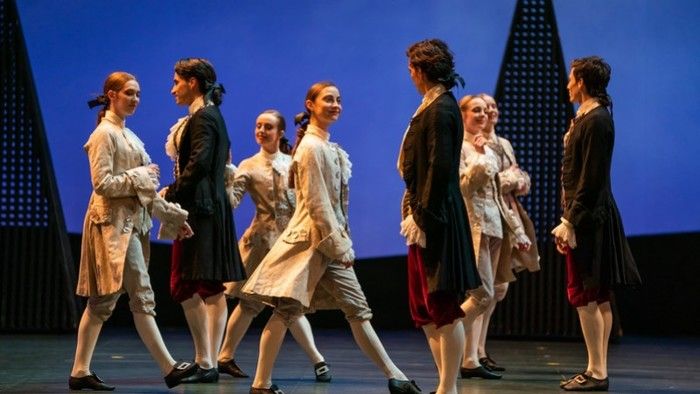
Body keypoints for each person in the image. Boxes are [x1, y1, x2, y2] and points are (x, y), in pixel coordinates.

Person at [242, 82, 421, 394]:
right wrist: (339, 246)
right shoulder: (311, 148)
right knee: (332, 309)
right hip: (312, 244)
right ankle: (396, 377)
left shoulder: (324, 146)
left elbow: (330, 203)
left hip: (321, 243)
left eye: (339, 100)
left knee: (309, 311)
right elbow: (317, 203)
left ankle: (396, 376)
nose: (336, 105)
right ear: (311, 104)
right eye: (328, 99)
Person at [69, 71, 198, 390]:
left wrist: (173, 217)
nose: (135, 99)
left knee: (106, 303)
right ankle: (169, 368)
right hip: (113, 228)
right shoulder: (104, 135)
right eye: (129, 93)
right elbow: (102, 184)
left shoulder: (130, 136)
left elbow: (146, 192)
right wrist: (139, 175)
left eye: (138, 94)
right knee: (138, 296)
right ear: (112, 95)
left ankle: (80, 371)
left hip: (130, 227)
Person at [217, 110, 331, 382]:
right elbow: (232, 201)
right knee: (250, 303)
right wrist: (225, 171)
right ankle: (225, 355)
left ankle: (317, 359)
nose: (261, 131)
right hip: (262, 242)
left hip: (289, 241)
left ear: (280, 132)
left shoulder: (293, 161)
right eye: (258, 126)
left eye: (267, 127)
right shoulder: (249, 165)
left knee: (291, 303)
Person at [398, 39, 481, 394]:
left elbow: (440, 165)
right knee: (425, 307)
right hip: (423, 212)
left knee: (443, 304)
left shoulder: (442, 108)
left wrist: (423, 214)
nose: (410, 76)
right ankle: (445, 383)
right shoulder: (430, 105)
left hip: (436, 218)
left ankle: (449, 387)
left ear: (421, 70)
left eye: (412, 70)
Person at [553, 56, 641, 391]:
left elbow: (590, 178)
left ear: (583, 82)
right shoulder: (587, 117)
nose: (568, 84)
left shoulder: (596, 120)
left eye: (572, 79)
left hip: (589, 217)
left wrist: (570, 220)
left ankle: (597, 372)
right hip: (588, 213)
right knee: (597, 295)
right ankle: (596, 368)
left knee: (586, 294)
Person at [163, 58, 246, 383]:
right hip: (206, 208)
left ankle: (207, 361)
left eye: (177, 82)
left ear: (193, 82)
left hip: (201, 210)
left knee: (188, 284)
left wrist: (172, 191)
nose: (173, 89)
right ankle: (207, 361)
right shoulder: (209, 116)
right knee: (205, 286)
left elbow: (197, 163)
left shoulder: (204, 117)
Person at [458, 94, 530, 380]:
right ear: (463, 114)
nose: (486, 114)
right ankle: (463, 347)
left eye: (488, 110)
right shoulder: (466, 147)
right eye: (478, 110)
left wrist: (518, 230)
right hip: (474, 223)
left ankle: (476, 353)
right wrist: (483, 159)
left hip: (497, 223)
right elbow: (472, 185)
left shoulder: (496, 145)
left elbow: (519, 181)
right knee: (481, 292)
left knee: (494, 291)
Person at [472, 93, 540, 372]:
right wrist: (512, 178)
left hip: (509, 214)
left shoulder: (504, 144)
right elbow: (491, 181)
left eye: (493, 106)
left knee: (499, 288)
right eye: (485, 107)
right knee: (485, 288)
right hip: (488, 215)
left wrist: (517, 179)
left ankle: (480, 347)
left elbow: (521, 179)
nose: (490, 111)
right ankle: (472, 351)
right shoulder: (474, 145)